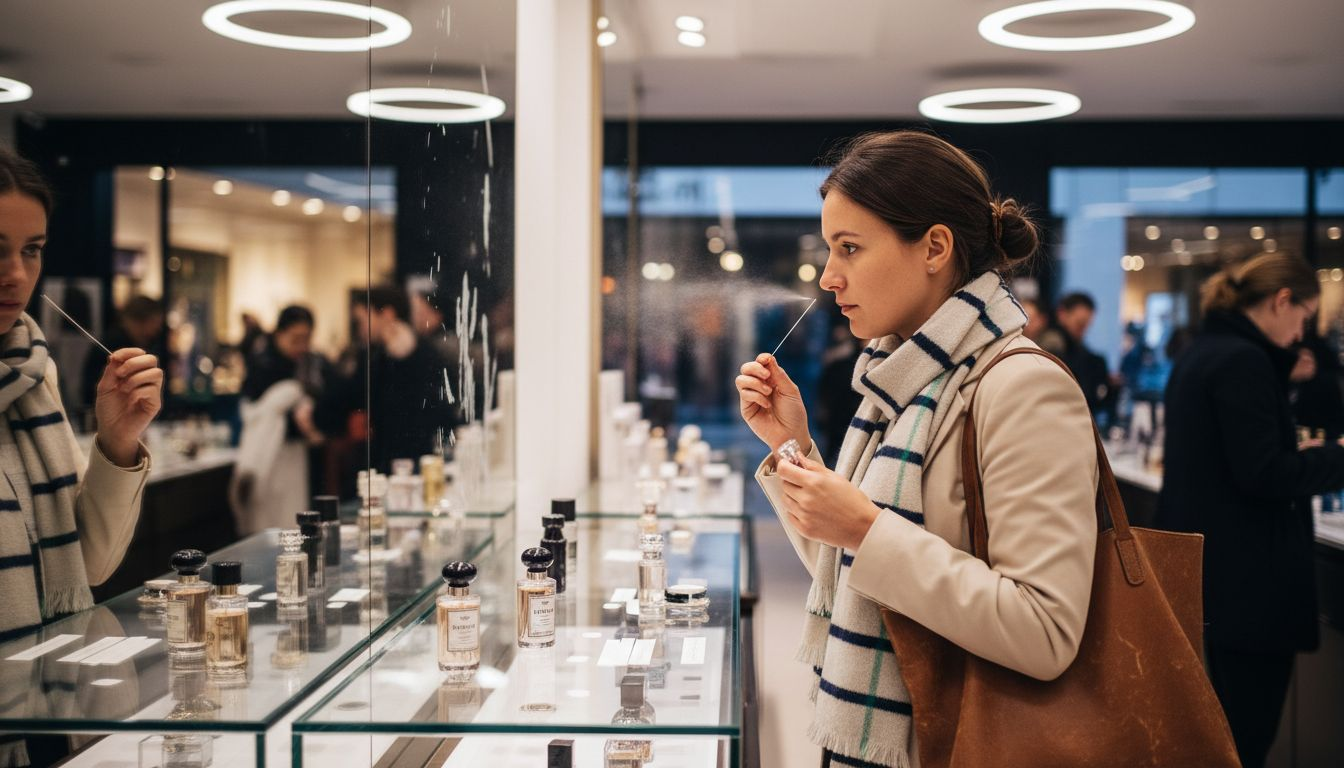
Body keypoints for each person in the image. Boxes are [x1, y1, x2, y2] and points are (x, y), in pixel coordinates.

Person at [736, 131, 1098, 768]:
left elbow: (1045, 631)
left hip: (959, 742)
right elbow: (850, 564)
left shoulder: (1021, 385)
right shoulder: (899, 383)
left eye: (850, 248)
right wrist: (792, 446)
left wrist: (868, 529)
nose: (828, 275)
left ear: (934, 247)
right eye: (830, 248)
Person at [0, 149, 161, 768]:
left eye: (32, 249)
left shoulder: (33, 376)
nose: (15, 273)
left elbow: (89, 566)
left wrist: (117, 442)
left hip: (51, 717)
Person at [1157, 253, 1344, 768]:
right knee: (1246, 739)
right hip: (1252, 586)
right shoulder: (1243, 360)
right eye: (1304, 316)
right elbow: (1264, 474)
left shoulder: (1205, 350)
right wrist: (1336, 459)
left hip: (1220, 580)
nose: (1303, 333)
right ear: (1282, 301)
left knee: (1225, 734)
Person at [315, 286, 454, 477]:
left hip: (419, 466)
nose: (360, 328)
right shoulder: (375, 356)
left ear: (387, 314)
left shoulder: (421, 355)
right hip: (391, 464)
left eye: (363, 319)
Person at [230, 305, 330, 533]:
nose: (301, 346)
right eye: (295, 339)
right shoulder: (262, 366)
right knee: (269, 521)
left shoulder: (310, 364)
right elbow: (253, 414)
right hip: (271, 457)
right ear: (279, 334)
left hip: (297, 459)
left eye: (306, 339)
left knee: (292, 521)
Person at [80, 295, 165, 418]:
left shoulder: (125, 340)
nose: (157, 329)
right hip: (106, 417)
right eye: (155, 323)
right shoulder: (116, 344)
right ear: (142, 320)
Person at [1038, 291, 1114, 420]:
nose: (1083, 331)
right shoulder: (1053, 343)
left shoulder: (1077, 347)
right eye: (1080, 324)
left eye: (1086, 326)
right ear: (1062, 314)